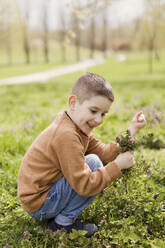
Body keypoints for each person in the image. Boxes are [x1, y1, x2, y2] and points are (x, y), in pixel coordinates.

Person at [17, 73, 146, 237]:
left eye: (103, 114)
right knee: (94, 164)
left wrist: (132, 129)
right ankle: (61, 225)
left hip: (43, 195)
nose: (99, 119)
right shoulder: (67, 136)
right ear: (73, 103)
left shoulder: (75, 126)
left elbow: (105, 153)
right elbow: (85, 185)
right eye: (93, 111)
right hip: (39, 202)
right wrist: (117, 166)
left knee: (93, 160)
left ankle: (60, 218)